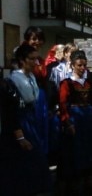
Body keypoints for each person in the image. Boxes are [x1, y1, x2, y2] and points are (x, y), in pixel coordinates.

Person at [0, 44, 52, 196]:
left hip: (31, 121)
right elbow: (10, 113)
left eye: (36, 59)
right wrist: (20, 136)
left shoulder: (31, 77)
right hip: (20, 124)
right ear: (22, 60)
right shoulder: (13, 81)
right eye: (32, 59)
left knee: (36, 161)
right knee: (23, 163)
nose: (36, 63)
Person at [57, 50, 92, 195]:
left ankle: (87, 183)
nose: (83, 68)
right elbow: (63, 104)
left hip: (88, 120)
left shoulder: (88, 82)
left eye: (84, 65)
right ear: (73, 65)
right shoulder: (66, 83)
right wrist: (68, 123)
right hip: (76, 119)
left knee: (89, 151)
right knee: (74, 152)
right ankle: (72, 186)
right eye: (79, 65)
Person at [22, 26, 49, 154]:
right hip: (29, 95)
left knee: (41, 127)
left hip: (40, 96)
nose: (37, 42)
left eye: (39, 39)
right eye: (34, 39)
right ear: (27, 40)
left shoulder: (40, 59)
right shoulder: (22, 56)